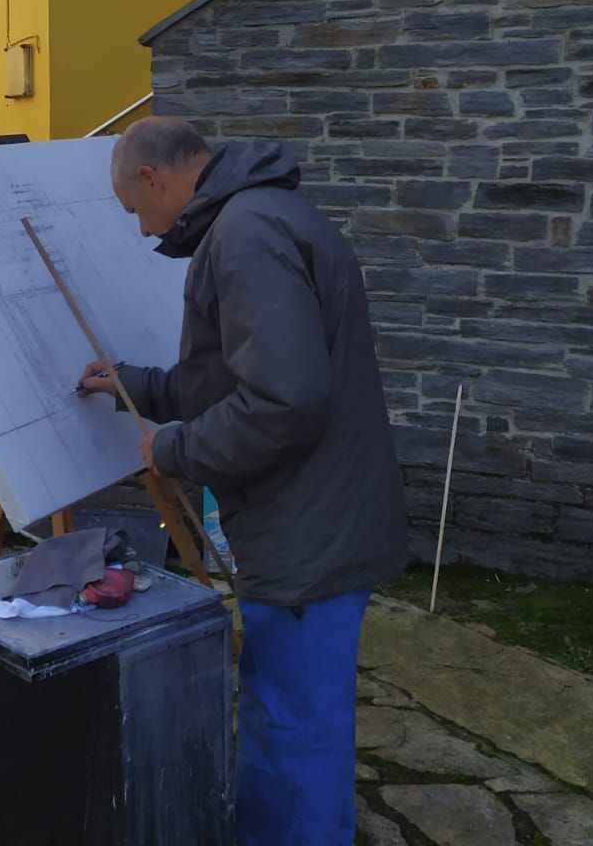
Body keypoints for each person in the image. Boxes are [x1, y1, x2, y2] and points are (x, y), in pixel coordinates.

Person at [77, 116, 409, 846]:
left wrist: (174, 449)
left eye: (135, 211)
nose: (140, 231)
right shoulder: (265, 214)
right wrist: (138, 387)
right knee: (306, 723)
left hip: (308, 531)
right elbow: (233, 375)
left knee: (292, 731)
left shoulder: (246, 237)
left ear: (153, 180)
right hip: (321, 513)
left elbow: (284, 399)